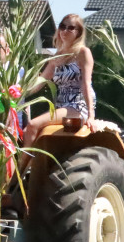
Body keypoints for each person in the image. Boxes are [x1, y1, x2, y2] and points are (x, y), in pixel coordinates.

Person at [21, 13, 96, 148]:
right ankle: (32, 166)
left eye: (70, 28)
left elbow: (86, 84)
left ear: (78, 32)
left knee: (32, 125)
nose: (64, 31)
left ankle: (21, 168)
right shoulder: (57, 56)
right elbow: (40, 81)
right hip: (61, 105)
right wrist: (18, 92)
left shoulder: (83, 53)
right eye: (62, 26)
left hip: (77, 105)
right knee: (26, 131)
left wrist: (91, 115)